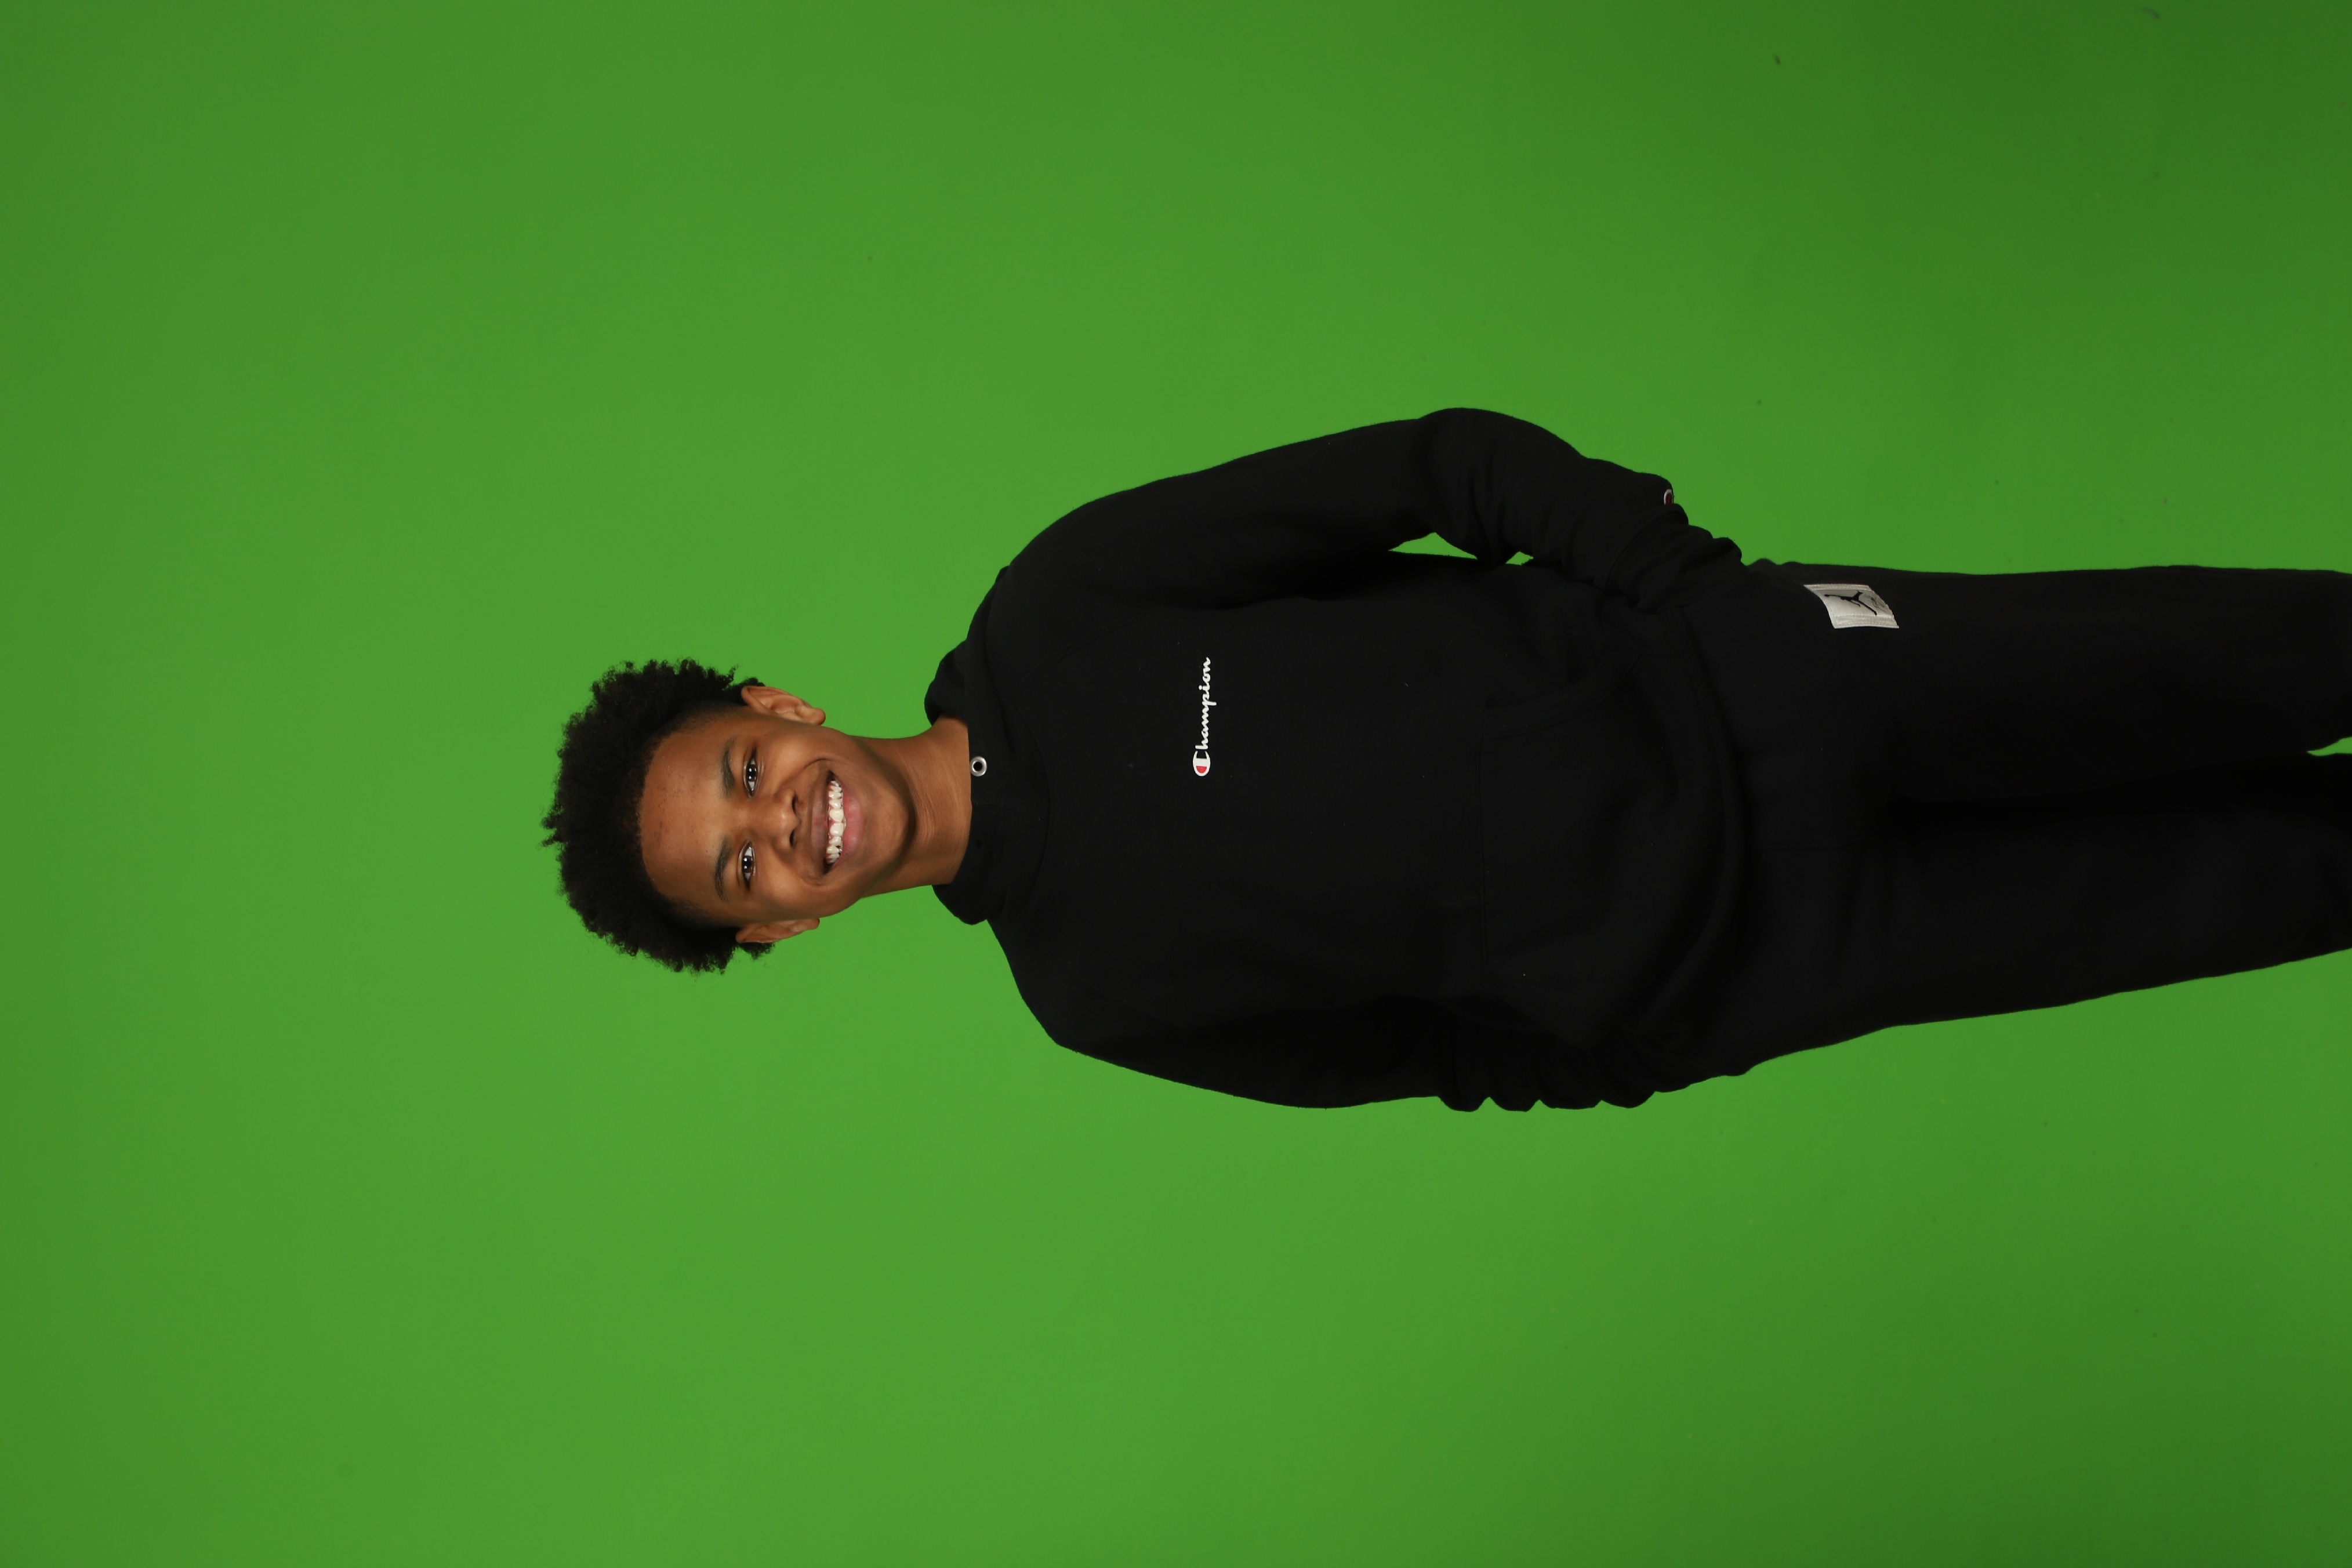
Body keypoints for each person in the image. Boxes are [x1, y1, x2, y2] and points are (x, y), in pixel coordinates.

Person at [542, 409, 2352, 1110]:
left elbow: (1432, 467)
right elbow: (1425, 1053)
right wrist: (1657, 1033)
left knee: (2225, 660)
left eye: (744, 775)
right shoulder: (1089, 994)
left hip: (1770, 688)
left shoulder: (1065, 605)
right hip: (1776, 953)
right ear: (779, 930)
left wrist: (1697, 599)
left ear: (778, 709)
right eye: (744, 869)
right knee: (2248, 888)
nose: (785, 826)